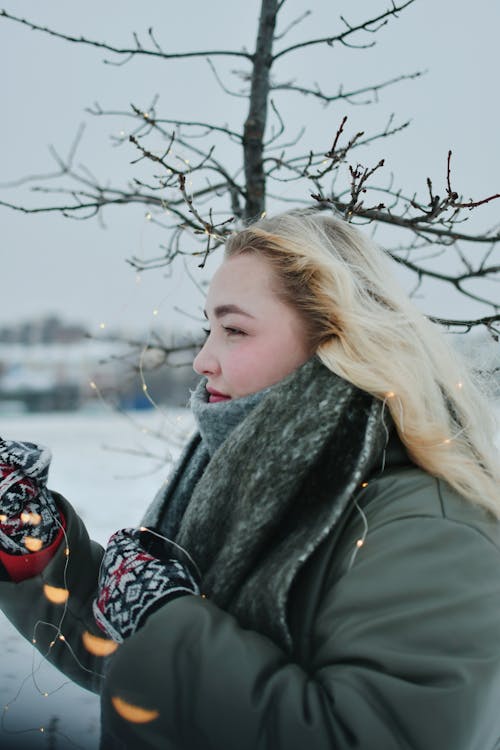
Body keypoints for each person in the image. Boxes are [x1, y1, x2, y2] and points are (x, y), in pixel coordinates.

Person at [0, 209, 500, 750]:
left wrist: (164, 622)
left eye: (234, 329)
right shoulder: (245, 476)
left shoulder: (427, 528)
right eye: (208, 328)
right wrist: (32, 539)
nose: (202, 361)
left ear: (337, 338)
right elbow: (131, 661)